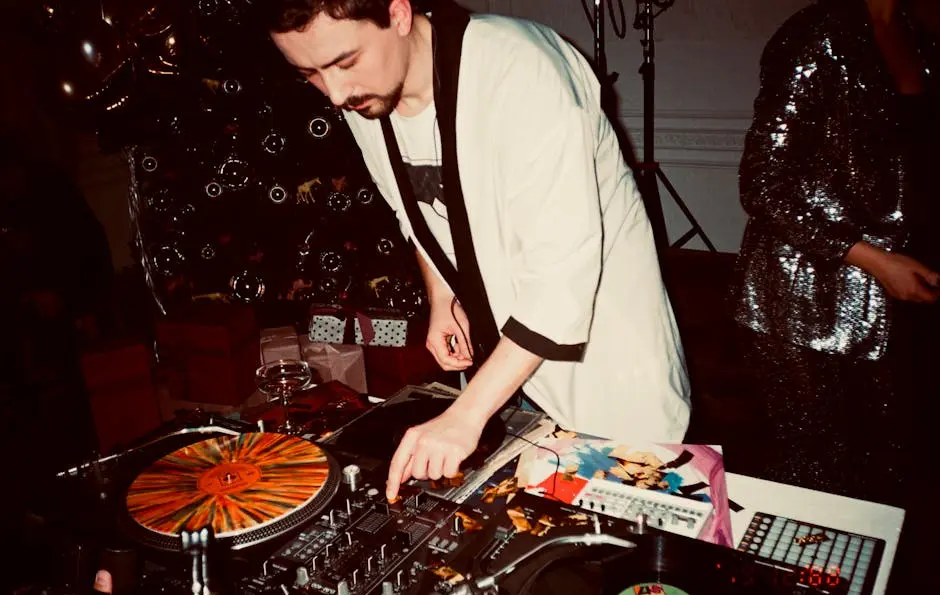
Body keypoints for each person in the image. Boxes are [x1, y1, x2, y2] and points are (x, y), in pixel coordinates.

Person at [263, 0, 691, 500]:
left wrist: (466, 415)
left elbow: (561, 284)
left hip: (606, 360)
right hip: (508, 370)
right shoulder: (367, 96)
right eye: (309, 73)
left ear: (398, 14)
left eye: (345, 62)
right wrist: (441, 294)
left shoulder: (523, 71)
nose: (334, 94)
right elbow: (417, 209)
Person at [731, 0, 939, 503]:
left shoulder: (919, 34)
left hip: (896, 294)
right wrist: (874, 259)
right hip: (805, 302)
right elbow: (762, 183)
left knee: (889, 471)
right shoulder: (816, 35)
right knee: (817, 480)